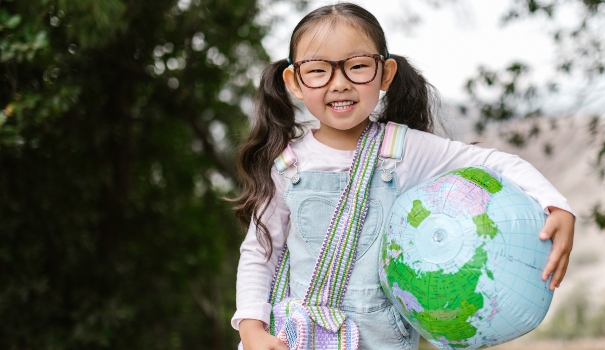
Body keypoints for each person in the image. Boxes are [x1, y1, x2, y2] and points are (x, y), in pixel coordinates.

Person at [231, 3, 575, 350]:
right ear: (294, 82)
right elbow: (260, 251)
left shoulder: (402, 149)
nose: (340, 84)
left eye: (358, 66)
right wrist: (251, 328)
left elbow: (494, 163)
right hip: (301, 340)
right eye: (319, 70)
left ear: (385, 73)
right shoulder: (288, 164)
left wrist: (556, 206)